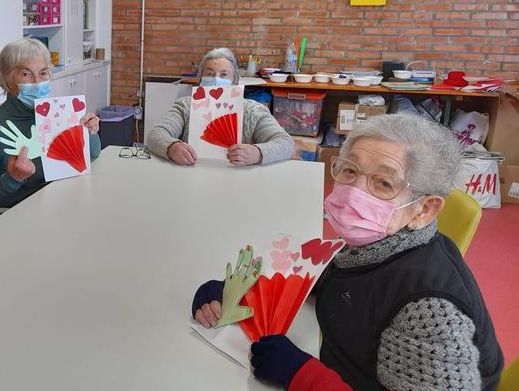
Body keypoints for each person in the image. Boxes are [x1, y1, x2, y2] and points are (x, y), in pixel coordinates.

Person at [191, 114, 503, 390]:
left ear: (424, 209)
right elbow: (331, 278)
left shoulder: (429, 311)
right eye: (350, 170)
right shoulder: (374, 246)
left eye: (383, 183)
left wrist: (304, 377)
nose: (355, 192)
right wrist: (242, 293)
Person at [0, 38, 101, 210]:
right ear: (8, 80)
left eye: (43, 73)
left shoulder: (57, 115)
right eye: (26, 74)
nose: (37, 82)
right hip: (14, 221)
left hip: (58, 205)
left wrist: (90, 133)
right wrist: (13, 178)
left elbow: (92, 154)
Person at [146, 47, 294, 166]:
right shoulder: (185, 105)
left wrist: (258, 153)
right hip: (193, 175)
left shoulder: (253, 110)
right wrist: (172, 147)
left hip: (241, 180)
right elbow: (156, 134)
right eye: (210, 74)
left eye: (224, 75)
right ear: (201, 79)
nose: (217, 79)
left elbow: (286, 143)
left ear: (234, 80)